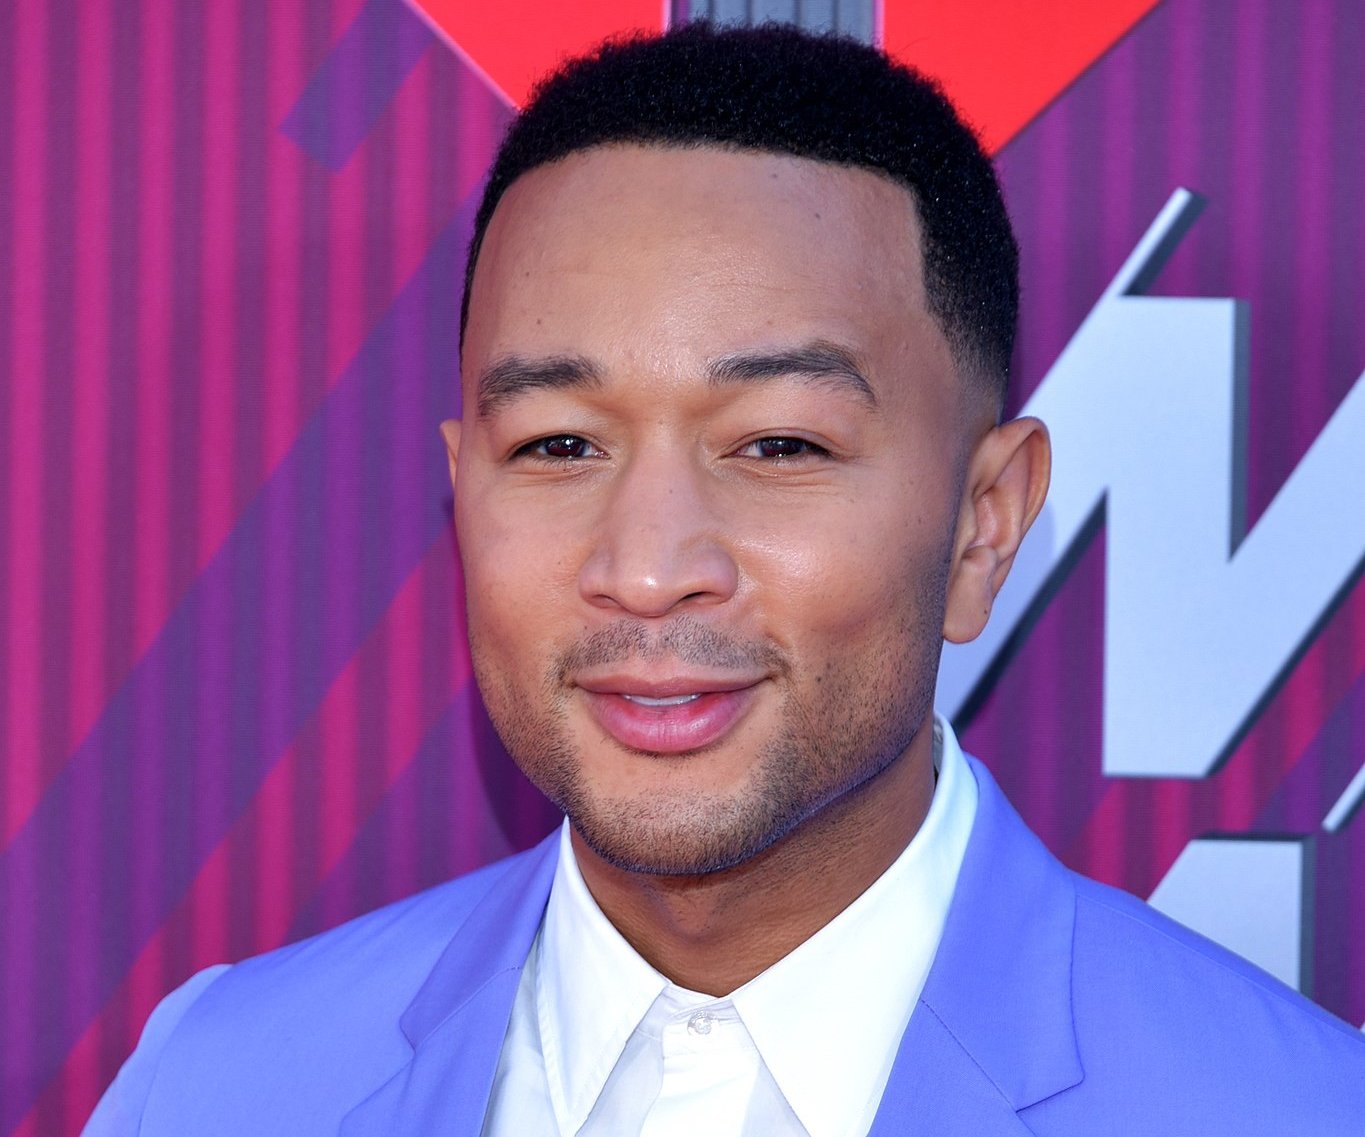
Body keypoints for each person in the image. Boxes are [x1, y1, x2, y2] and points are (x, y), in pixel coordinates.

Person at [84, 21, 1365, 1137]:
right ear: (462, 491)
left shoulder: (1293, 1112)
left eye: (778, 445)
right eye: (560, 446)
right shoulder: (213, 1086)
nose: (648, 571)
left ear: (984, 525)